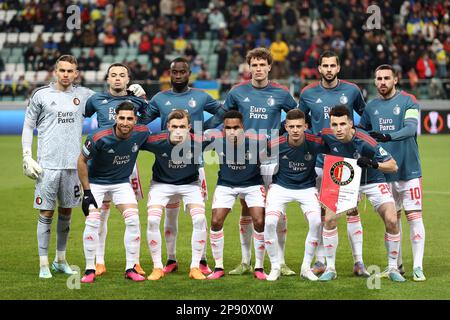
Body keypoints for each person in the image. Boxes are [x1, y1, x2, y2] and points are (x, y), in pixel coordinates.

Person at [144, 57, 226, 276]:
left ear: (189, 73)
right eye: (174, 72)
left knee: (199, 215)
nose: (178, 75)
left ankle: (201, 260)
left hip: (195, 165)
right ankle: (170, 259)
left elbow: (222, 112)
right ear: (169, 74)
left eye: (182, 72)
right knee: (170, 216)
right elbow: (142, 121)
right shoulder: (160, 98)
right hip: (166, 161)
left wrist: (201, 130)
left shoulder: (200, 96)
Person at [220, 47, 298, 277]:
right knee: (246, 207)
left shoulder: (282, 93)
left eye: (262, 65)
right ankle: (246, 260)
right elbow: (223, 119)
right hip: (244, 157)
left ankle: (280, 261)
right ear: (249, 67)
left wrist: (285, 138)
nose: (259, 69)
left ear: (269, 67)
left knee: (277, 208)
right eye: (254, 65)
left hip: (272, 158)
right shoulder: (237, 92)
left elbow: (295, 118)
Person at [21, 55, 95, 278]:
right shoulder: (41, 95)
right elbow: (27, 126)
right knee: (46, 211)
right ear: (55, 71)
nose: (66, 74)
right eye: (62, 70)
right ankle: (43, 263)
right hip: (47, 166)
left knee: (66, 212)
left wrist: (132, 91)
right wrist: (26, 155)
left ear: (76, 73)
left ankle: (60, 259)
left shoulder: (84, 95)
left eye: (70, 71)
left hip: (73, 166)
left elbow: (109, 101)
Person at [299, 50, 369, 277]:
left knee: (352, 210)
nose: (328, 69)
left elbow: (364, 118)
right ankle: (321, 261)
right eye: (324, 66)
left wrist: (358, 145)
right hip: (319, 162)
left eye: (332, 66)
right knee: (322, 212)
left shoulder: (352, 90)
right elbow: (303, 122)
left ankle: (358, 261)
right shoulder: (308, 93)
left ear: (338, 68)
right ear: (319, 68)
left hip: (345, 162)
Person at [319, 105, 405, 282]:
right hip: (345, 180)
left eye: (343, 124)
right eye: (334, 124)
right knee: (329, 219)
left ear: (351, 123)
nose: (338, 129)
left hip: (372, 179)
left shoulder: (366, 140)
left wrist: (374, 164)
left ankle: (392, 267)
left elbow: (393, 165)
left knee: (391, 219)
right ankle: (330, 268)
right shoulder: (326, 136)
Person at [359, 64, 426, 281]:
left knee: (414, 217)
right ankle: (396, 265)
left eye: (387, 78)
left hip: (409, 170)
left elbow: (410, 128)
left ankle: (418, 267)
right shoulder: (371, 107)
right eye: (378, 79)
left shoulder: (409, 100)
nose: (382, 82)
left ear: (395, 80)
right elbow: (363, 134)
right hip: (385, 173)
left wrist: (388, 137)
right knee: (392, 220)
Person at [84, 63, 150, 277]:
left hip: (126, 163)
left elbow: (148, 118)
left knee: (132, 215)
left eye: (122, 75)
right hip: (101, 161)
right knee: (99, 216)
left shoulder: (137, 101)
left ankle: (134, 262)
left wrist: (145, 96)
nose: (118, 79)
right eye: (114, 75)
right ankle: (99, 261)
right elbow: (81, 118)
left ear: (128, 79)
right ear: (108, 79)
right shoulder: (96, 100)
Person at [141, 110, 208, 281]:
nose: (178, 130)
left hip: (190, 185)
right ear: (168, 127)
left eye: (183, 127)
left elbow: (229, 141)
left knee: (200, 219)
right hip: (161, 185)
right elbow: (129, 142)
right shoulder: (155, 141)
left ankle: (195, 266)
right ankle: (157, 267)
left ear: (189, 127)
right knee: (153, 220)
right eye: (175, 127)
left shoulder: (199, 141)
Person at [264, 109, 327, 281]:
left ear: (306, 126)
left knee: (316, 222)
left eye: (299, 126)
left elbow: (337, 148)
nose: (295, 130)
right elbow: (259, 160)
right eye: (291, 126)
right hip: (280, 187)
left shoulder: (316, 142)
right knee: (269, 222)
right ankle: (275, 266)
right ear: (286, 127)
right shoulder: (275, 143)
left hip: (307, 188)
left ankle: (306, 267)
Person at [205, 111, 267, 280]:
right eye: (228, 128)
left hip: (252, 184)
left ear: (243, 128)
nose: (232, 131)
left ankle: (259, 267)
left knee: (260, 221)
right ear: (223, 129)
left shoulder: (257, 143)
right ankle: (218, 267)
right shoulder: (216, 141)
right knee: (216, 221)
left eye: (236, 128)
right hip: (226, 184)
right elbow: (191, 143)